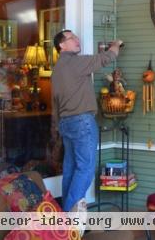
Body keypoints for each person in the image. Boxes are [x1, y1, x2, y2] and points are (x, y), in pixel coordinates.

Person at [51, 29, 122, 211]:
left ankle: (64, 219)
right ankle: (68, 220)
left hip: (66, 123)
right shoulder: (74, 62)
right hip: (82, 122)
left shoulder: (57, 69)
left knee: (71, 169)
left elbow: (55, 104)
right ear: (61, 45)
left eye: (76, 36)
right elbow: (106, 58)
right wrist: (115, 46)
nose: (76, 39)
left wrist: (57, 127)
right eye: (71, 38)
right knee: (85, 169)